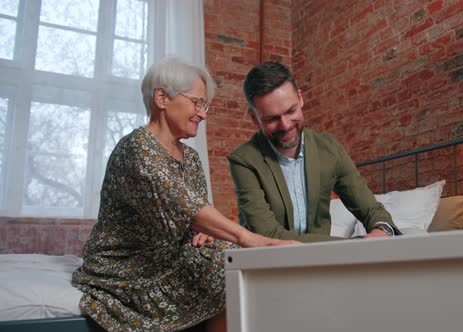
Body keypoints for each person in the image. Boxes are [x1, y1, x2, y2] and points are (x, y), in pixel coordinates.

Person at [72, 57, 298, 332]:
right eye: (197, 102)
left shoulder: (190, 157)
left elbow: (197, 217)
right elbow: (187, 207)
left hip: (174, 256)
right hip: (130, 265)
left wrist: (203, 233)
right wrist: (253, 240)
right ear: (162, 98)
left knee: (234, 261)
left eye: (205, 105)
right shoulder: (136, 148)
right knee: (232, 265)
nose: (203, 114)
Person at [227, 61, 401, 243]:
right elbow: (268, 236)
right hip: (270, 263)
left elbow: (371, 209)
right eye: (272, 119)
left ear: (300, 99)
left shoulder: (329, 148)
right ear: (254, 118)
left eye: (291, 110)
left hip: (323, 263)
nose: (285, 125)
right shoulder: (244, 160)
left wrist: (383, 229)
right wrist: (353, 244)